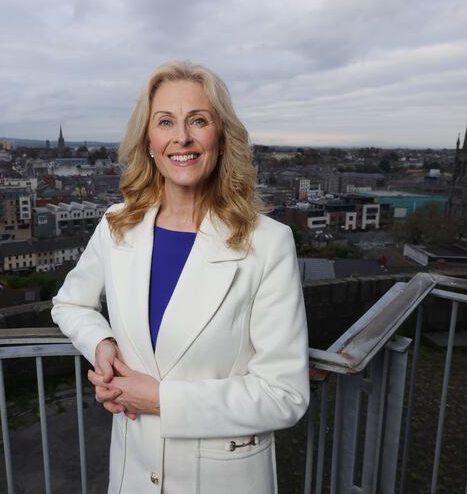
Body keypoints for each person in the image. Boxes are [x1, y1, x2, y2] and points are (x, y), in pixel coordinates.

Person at [52, 61, 309, 493]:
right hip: (132, 476)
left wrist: (160, 401)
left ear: (222, 138)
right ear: (149, 141)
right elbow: (70, 304)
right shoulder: (117, 224)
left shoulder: (269, 243)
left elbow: (285, 395)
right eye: (165, 121)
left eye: (199, 121)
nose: (182, 137)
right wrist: (102, 344)